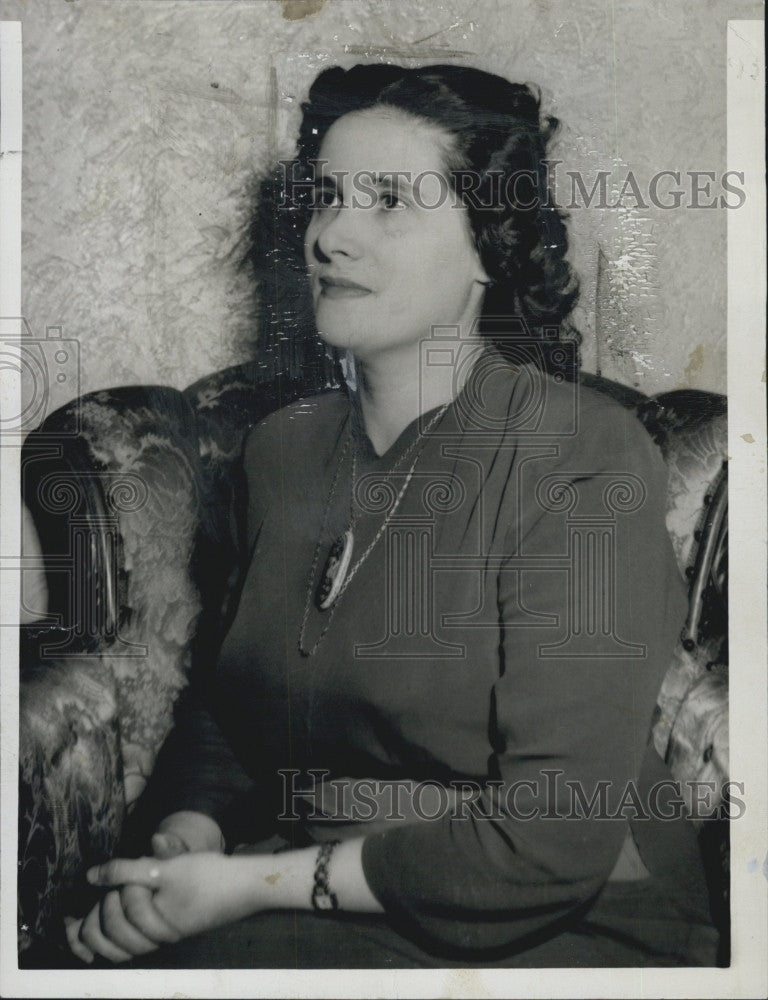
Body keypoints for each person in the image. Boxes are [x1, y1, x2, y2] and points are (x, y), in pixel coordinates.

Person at [65, 63, 719, 968]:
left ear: (491, 244)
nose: (332, 236)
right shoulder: (279, 453)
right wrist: (187, 842)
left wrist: (245, 890)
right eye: (327, 197)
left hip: (556, 918)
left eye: (388, 201)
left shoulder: (581, 453)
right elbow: (233, 712)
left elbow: (551, 840)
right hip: (305, 887)